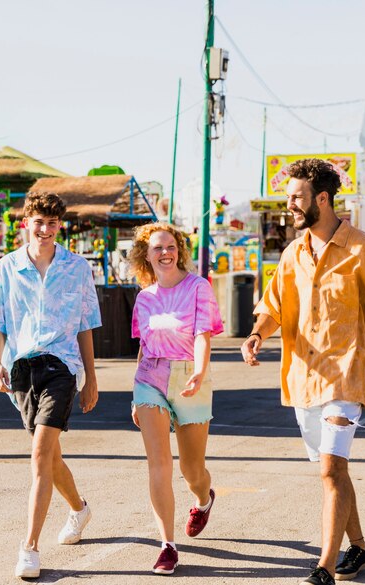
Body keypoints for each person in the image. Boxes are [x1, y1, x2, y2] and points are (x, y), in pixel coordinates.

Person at [241, 159, 365, 585]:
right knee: (334, 470)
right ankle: (358, 546)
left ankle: (324, 565)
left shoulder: (363, 249)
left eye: (296, 197)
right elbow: (274, 307)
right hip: (304, 377)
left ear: (321, 198)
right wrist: (256, 335)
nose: (290, 205)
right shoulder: (292, 253)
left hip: (348, 373)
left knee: (329, 471)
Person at [0, 192, 101, 579]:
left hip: (62, 367)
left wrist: (91, 379)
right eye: (39, 222)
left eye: (52, 223)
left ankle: (29, 547)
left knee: (38, 455)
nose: (46, 230)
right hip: (21, 370)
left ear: (59, 225)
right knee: (50, 455)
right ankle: (80, 509)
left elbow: (85, 326)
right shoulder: (7, 267)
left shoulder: (78, 267)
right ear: (26, 223)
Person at [128, 223, 223, 575]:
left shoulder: (198, 287)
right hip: (150, 379)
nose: (165, 253)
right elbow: (144, 347)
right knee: (159, 465)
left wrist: (199, 371)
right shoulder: (143, 298)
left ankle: (203, 498)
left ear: (179, 250)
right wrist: (134, 396)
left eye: (170, 246)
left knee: (191, 469)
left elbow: (202, 335)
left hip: (190, 378)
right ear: (146, 255)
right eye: (157, 248)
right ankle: (167, 545)